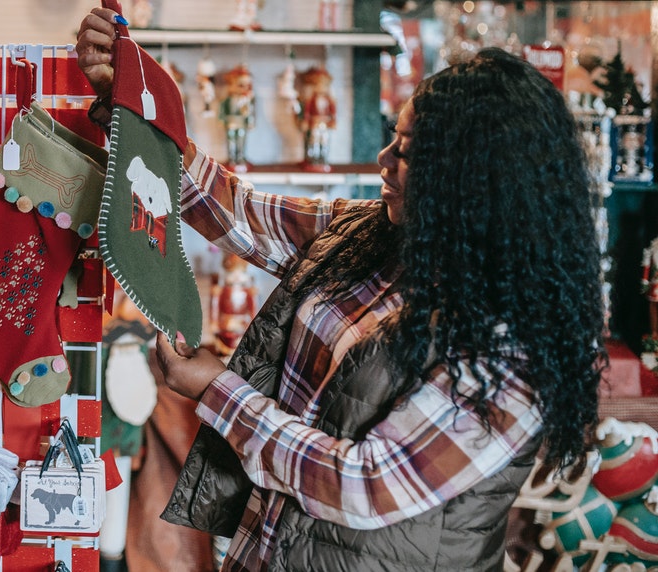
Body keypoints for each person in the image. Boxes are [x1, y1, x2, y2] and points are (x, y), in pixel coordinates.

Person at [76, 7, 606, 571]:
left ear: (475, 183)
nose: (383, 161)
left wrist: (218, 392)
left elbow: (363, 485)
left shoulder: (509, 354)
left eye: (406, 153)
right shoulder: (373, 235)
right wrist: (133, 104)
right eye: (392, 140)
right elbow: (240, 212)